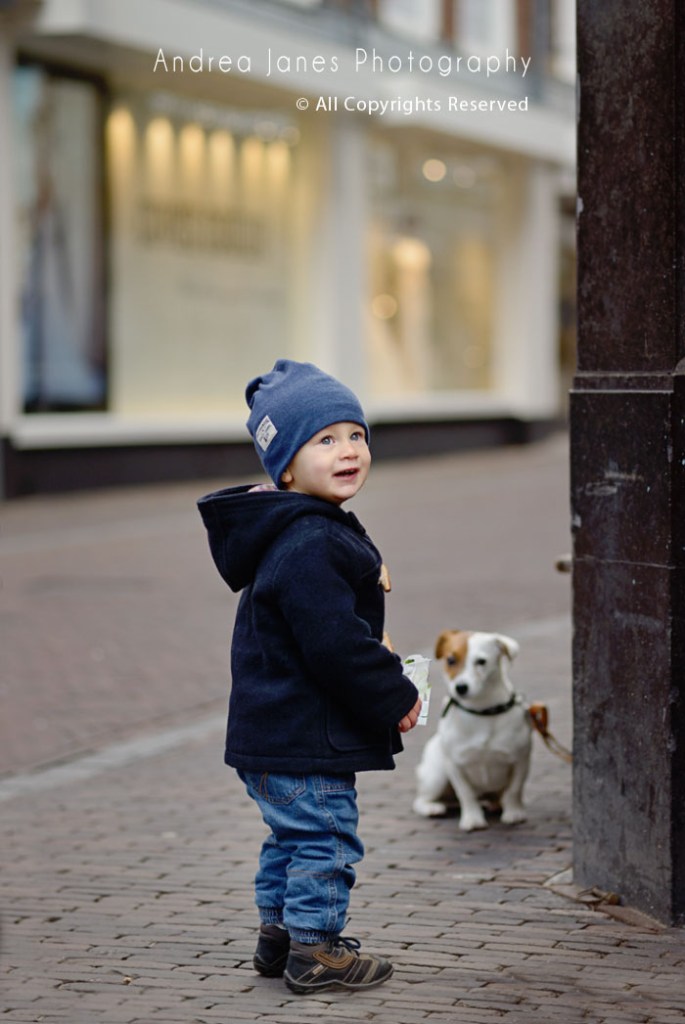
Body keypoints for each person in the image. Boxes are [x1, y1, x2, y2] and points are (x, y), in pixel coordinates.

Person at [197, 359, 422, 995]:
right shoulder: (309, 541)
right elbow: (332, 645)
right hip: (302, 734)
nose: (348, 451)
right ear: (286, 467)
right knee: (325, 838)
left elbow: (325, 626)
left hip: (275, 731)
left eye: (355, 435)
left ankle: (278, 936)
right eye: (324, 440)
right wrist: (393, 692)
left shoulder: (301, 529)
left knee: (290, 839)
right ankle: (316, 949)